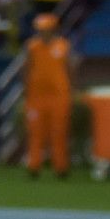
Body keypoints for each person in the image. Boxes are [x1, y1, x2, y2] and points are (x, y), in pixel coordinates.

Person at [22, 13, 74, 179]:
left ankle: (60, 167)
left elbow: (70, 68)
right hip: (36, 96)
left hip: (59, 95)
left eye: (46, 30)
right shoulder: (32, 46)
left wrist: (73, 89)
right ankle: (34, 166)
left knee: (58, 132)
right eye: (40, 30)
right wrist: (26, 89)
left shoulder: (62, 46)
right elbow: (26, 68)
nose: (43, 33)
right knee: (36, 133)